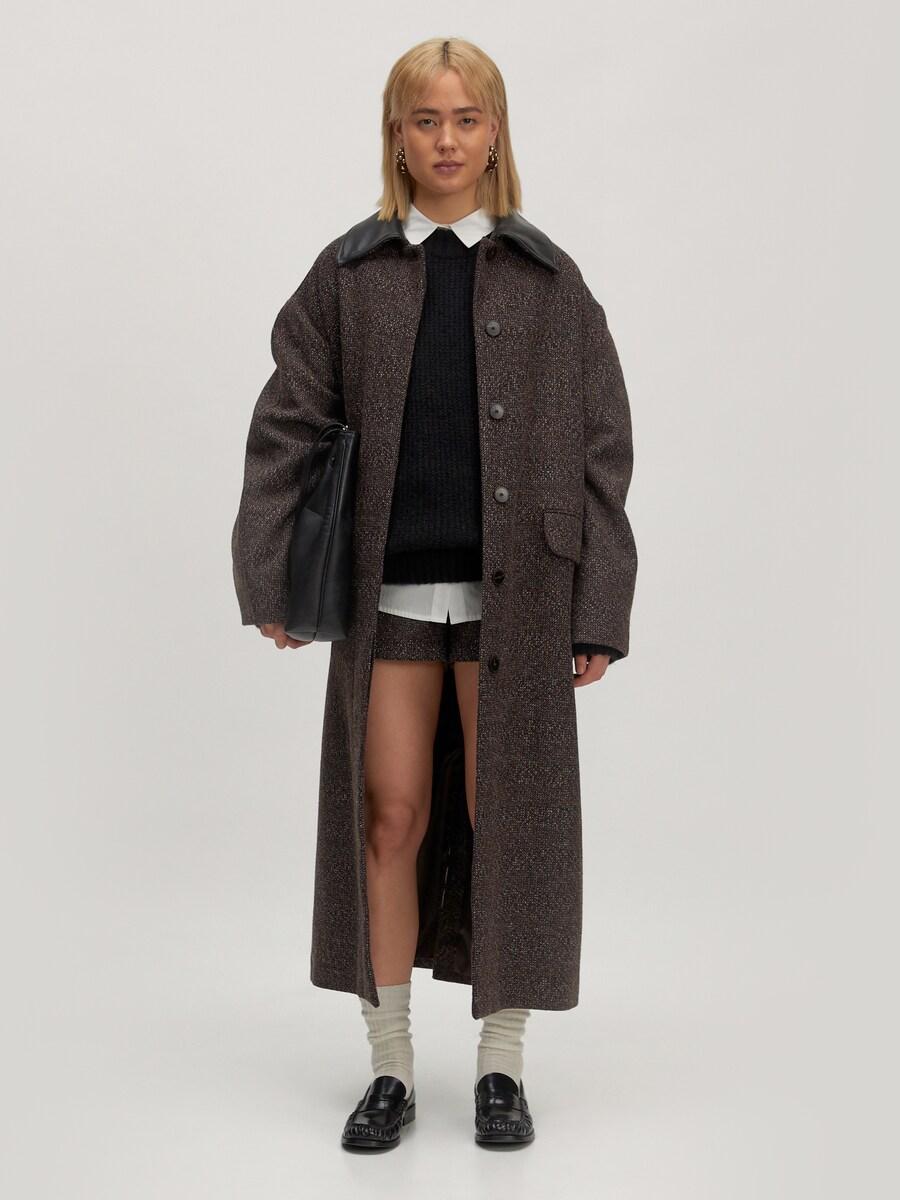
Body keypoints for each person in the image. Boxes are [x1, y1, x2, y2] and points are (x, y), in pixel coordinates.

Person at [231, 36, 637, 1151]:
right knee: (390, 817)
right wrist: (272, 574)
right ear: (397, 136)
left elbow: (603, 447)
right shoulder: (349, 274)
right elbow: (286, 423)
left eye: (466, 119)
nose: (447, 140)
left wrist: (600, 605)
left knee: (506, 820)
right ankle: (392, 1068)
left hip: (523, 597)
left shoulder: (550, 280)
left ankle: (502, 1067)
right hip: (390, 600)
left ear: (496, 133)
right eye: (426, 120)